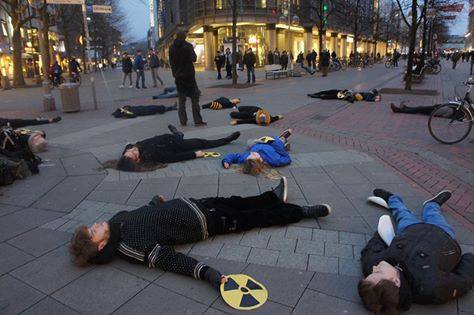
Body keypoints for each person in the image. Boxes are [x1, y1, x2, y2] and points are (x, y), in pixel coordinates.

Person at [69, 178, 331, 290]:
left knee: (238, 200)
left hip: (195, 203)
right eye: (93, 231)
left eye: (91, 226)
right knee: (255, 218)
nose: (96, 224)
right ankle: (302, 212)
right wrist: (206, 273)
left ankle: (271, 196)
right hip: (207, 222)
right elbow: (169, 260)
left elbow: (139, 214)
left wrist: (153, 203)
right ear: (101, 246)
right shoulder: (128, 247)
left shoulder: (115, 222)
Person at [358, 188, 474, 313]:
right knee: (433, 214)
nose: (374, 269)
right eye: (377, 273)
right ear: (396, 281)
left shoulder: (373, 264)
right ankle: (431, 204)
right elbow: (463, 280)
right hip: (442, 234)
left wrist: (380, 234)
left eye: (370, 274)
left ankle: (391, 198)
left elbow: (370, 250)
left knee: (402, 213)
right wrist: (467, 260)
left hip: (409, 230)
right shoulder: (431, 287)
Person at [114, 125, 240, 172]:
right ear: (138, 160)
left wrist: (128, 150)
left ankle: (177, 133)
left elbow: (128, 147)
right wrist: (195, 155)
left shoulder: (132, 149)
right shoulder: (151, 155)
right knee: (202, 142)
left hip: (169, 138)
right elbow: (173, 158)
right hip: (178, 146)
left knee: (178, 136)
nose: (132, 150)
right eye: (133, 154)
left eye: (129, 152)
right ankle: (227, 140)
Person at [169, 29, 206, 126]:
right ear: (184, 36)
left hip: (179, 78)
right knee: (195, 99)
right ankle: (197, 120)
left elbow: (171, 62)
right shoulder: (188, 46)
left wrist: (175, 74)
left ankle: (183, 121)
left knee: (182, 101)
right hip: (189, 77)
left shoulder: (171, 48)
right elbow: (194, 58)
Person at [222, 129, 292, 175]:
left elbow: (234, 156)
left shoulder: (246, 158)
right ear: (260, 161)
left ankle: (282, 142)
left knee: (249, 142)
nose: (251, 153)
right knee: (278, 141)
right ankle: (283, 139)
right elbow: (287, 158)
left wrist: (226, 161)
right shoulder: (275, 160)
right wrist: (273, 143)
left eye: (250, 154)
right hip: (273, 145)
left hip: (258, 143)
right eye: (254, 155)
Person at [308, 89, 381, 102]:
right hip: (344, 94)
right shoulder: (369, 94)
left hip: (343, 93)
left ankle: (314, 95)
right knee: (328, 95)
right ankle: (314, 95)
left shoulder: (369, 95)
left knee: (328, 93)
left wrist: (375, 99)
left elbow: (368, 99)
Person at [112, 104, 177, 118]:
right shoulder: (127, 113)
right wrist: (125, 111)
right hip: (145, 111)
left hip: (143, 108)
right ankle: (172, 108)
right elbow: (133, 115)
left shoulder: (124, 109)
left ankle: (171, 107)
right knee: (157, 108)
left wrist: (124, 109)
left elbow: (128, 106)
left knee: (156, 107)